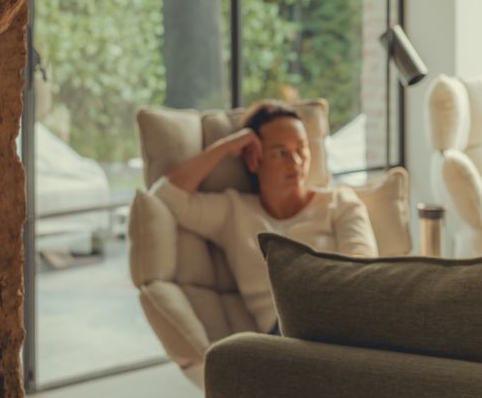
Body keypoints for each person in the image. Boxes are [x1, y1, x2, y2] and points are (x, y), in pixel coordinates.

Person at [150, 101, 377, 333]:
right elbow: (165, 196)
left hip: (344, 315)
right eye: (281, 153)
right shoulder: (233, 212)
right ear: (253, 159)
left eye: (301, 149)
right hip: (285, 334)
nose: (296, 162)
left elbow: (363, 270)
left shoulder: (339, 203)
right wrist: (227, 147)